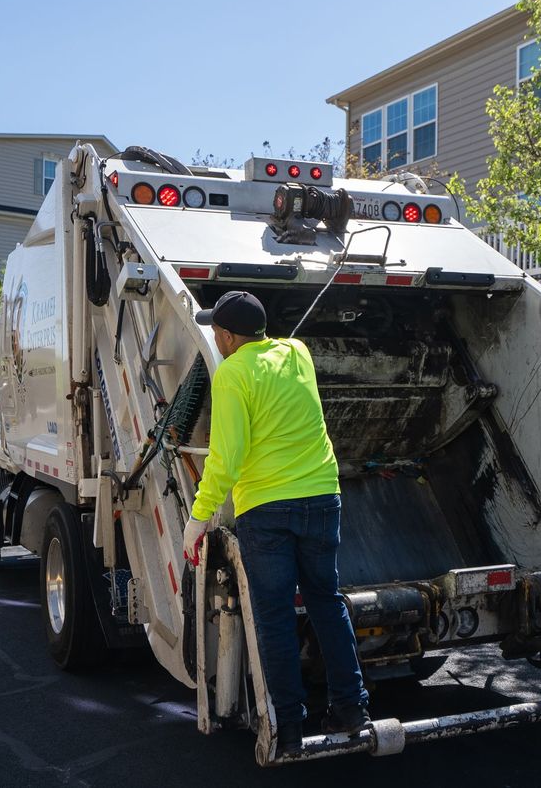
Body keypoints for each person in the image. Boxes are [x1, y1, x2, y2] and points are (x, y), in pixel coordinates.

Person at [181, 290, 369, 755]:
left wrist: (198, 518)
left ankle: (288, 726)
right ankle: (352, 707)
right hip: (324, 498)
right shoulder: (298, 353)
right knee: (327, 602)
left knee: (276, 617)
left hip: (267, 509)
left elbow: (225, 460)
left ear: (225, 336)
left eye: (215, 332)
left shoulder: (231, 374)